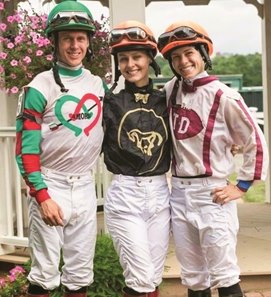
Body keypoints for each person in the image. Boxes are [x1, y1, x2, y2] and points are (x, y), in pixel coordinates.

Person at [157, 21, 269, 297]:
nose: (183, 62)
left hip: (212, 193)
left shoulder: (225, 95)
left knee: (224, 271)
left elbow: (255, 141)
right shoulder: (171, 90)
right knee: (193, 275)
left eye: (189, 53)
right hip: (179, 193)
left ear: (204, 53)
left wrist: (242, 186)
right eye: (175, 57)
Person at [15, 1, 106, 296]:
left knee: (80, 274)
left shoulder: (98, 84)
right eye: (67, 38)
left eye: (80, 38)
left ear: (89, 41)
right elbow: (25, 149)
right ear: (54, 41)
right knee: (44, 274)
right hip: (51, 184)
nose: (74, 45)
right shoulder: (39, 87)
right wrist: (41, 195)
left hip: (84, 185)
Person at [102, 20, 171, 297]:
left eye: (136, 57)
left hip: (159, 195)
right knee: (141, 278)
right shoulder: (108, 101)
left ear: (149, 59)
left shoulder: (166, 98)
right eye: (123, 59)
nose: (130, 64)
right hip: (125, 194)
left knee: (152, 278)